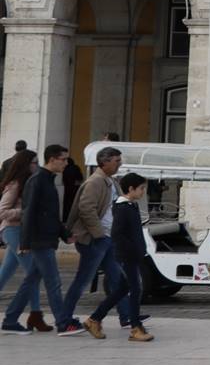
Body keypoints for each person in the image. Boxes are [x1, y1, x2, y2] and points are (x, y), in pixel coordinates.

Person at [1, 143, 73, 335]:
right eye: (64, 159)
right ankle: (63, 322)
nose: (67, 163)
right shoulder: (35, 181)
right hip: (32, 237)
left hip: (42, 237)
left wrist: (65, 234)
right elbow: (29, 213)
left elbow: (49, 214)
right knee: (52, 280)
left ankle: (11, 319)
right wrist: (25, 243)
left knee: (30, 279)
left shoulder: (45, 180)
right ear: (52, 159)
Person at [80, 172, 152, 342]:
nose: (143, 192)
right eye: (141, 189)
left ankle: (94, 319)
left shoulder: (130, 205)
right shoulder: (122, 208)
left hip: (131, 255)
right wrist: (131, 251)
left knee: (122, 289)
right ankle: (135, 328)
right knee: (136, 289)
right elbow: (117, 234)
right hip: (127, 256)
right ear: (131, 188)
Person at [61, 146, 123, 334]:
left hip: (107, 238)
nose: (119, 163)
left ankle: (128, 316)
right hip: (96, 239)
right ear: (104, 162)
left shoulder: (111, 181)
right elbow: (86, 209)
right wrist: (99, 233)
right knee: (82, 280)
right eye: (116, 160)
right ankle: (64, 321)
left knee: (118, 279)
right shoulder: (95, 182)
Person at [0, 148, 51, 333]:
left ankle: (34, 316)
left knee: (5, 273)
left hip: (21, 232)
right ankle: (34, 316)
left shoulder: (30, 183)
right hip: (13, 231)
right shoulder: (15, 185)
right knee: (33, 273)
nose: (37, 166)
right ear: (25, 165)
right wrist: (25, 213)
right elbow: (2, 211)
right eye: (34, 162)